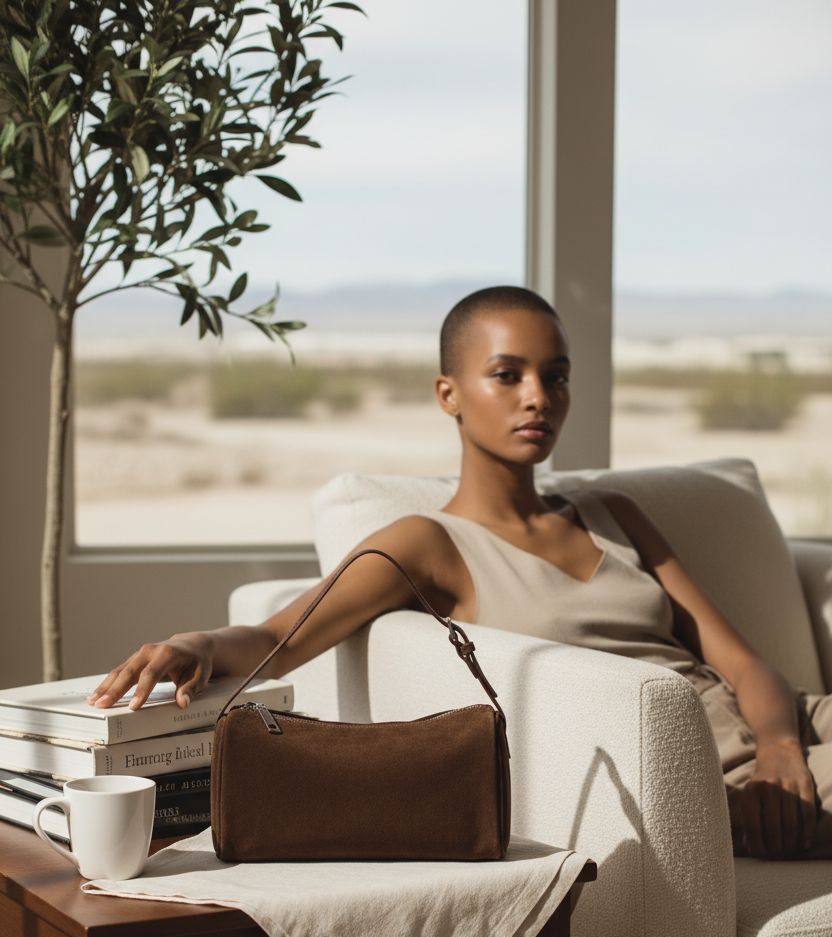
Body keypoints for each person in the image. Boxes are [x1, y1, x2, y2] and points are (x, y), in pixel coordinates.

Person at [87, 285, 832, 861]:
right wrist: (199, 644)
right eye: (507, 375)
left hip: (783, 737)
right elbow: (281, 635)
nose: (539, 396)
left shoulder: (614, 513)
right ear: (449, 393)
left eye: (556, 375)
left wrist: (780, 747)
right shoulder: (428, 545)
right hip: (699, 779)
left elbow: (739, 660)